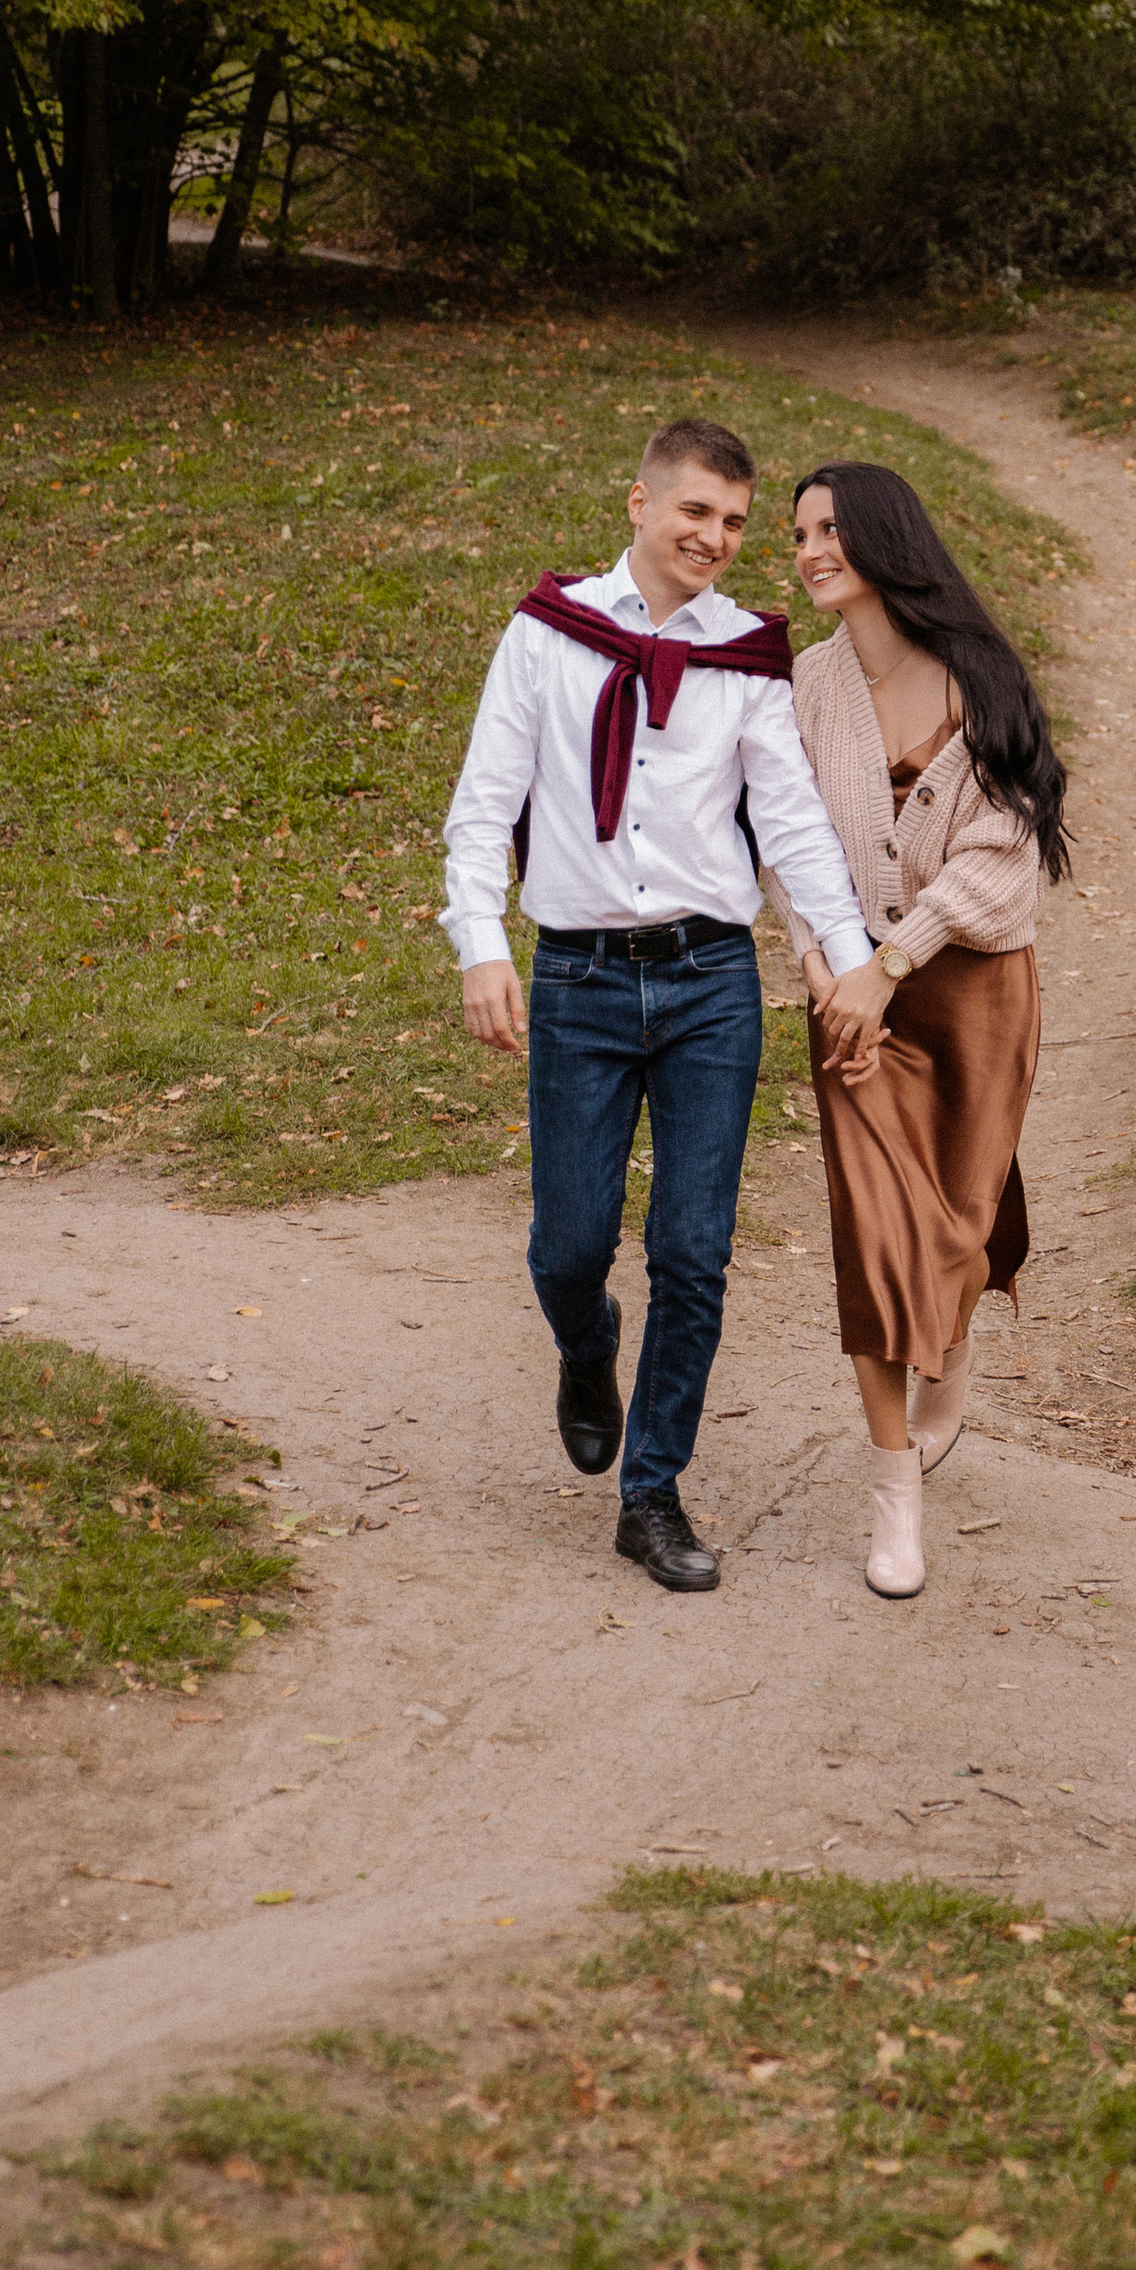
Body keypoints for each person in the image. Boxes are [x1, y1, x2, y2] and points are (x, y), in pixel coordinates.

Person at [440, 417, 878, 1593]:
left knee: (693, 1251)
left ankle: (652, 1493)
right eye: (697, 512)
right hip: (578, 979)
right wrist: (483, 945)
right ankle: (588, 1353)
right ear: (639, 504)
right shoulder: (547, 635)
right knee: (568, 1246)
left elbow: (790, 824)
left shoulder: (745, 658)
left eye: (736, 523)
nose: (716, 540)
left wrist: (843, 954)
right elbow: (485, 801)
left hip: (707, 983)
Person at [778, 461, 1070, 1600]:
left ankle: (948, 1351)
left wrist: (895, 961)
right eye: (798, 533)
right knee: (872, 1226)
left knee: (953, 1218)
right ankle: (891, 1483)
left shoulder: (981, 678)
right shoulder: (806, 686)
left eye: (830, 528)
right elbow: (783, 838)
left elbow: (1002, 864)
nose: (808, 549)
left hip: (969, 991)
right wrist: (825, 969)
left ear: (888, 538)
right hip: (851, 996)